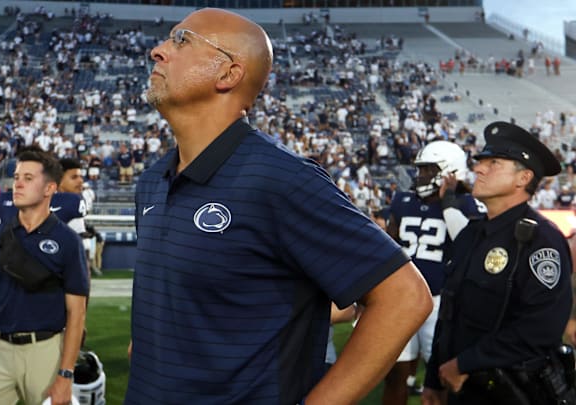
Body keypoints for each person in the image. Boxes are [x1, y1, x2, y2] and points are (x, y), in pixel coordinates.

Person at [126, 8, 433, 404]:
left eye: (181, 40)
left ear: (228, 74)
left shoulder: (281, 179)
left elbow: (404, 297)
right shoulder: (153, 181)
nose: (157, 51)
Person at [423, 121, 575, 405]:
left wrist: (463, 363)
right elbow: (449, 312)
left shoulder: (541, 241)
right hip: (459, 389)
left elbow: (541, 329)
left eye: (494, 163)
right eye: (481, 162)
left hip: (511, 392)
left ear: (523, 178)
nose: (479, 168)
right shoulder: (472, 233)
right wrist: (434, 378)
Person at [0, 147, 90, 404]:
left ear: (49, 189)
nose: (17, 184)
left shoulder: (68, 241)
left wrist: (65, 374)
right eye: (16, 177)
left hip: (46, 350)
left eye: (28, 178)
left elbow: (77, 312)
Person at [382, 141, 485, 405]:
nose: (422, 176)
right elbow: (388, 245)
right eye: (421, 170)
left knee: (444, 377)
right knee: (395, 376)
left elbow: (466, 241)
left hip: (440, 303)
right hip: (401, 299)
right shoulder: (403, 200)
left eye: (429, 170)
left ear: (450, 171)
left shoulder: (466, 204)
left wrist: (448, 199)